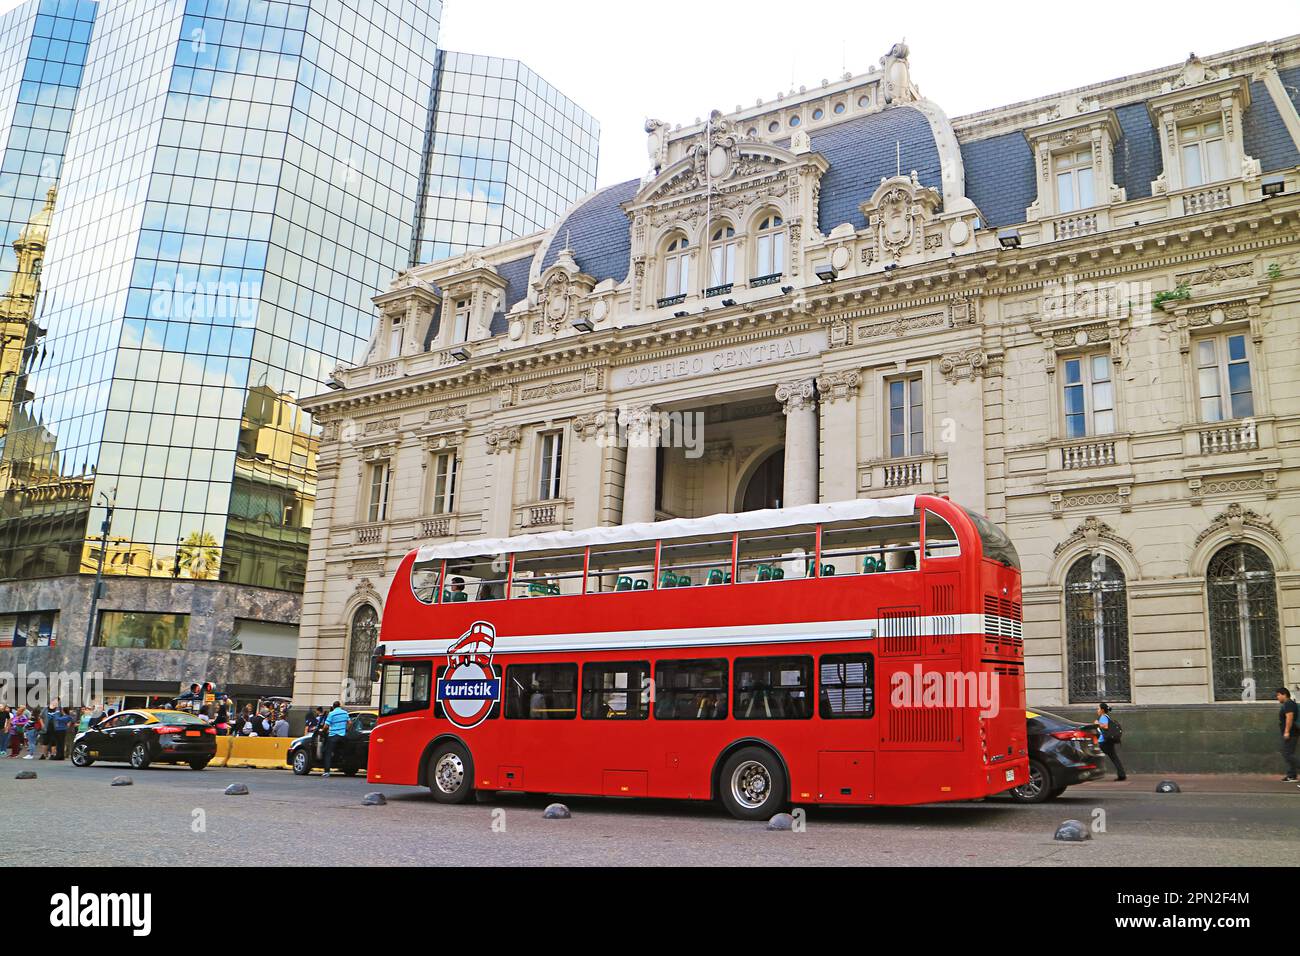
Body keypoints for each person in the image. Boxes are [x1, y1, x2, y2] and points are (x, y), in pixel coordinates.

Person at [1096, 702, 1126, 781]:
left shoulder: (1103, 717)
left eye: (1098, 708)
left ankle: (1088, 773)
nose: (1097, 710)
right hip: (1107, 741)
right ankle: (1122, 774)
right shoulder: (1106, 716)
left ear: (1102, 710)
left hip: (1103, 742)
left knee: (1091, 756)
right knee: (1114, 758)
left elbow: (1105, 726)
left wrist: (1097, 723)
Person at [321, 701, 349, 777]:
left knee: (328, 753)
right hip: (343, 736)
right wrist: (345, 729)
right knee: (343, 752)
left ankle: (327, 772)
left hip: (333, 736)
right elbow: (349, 722)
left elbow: (326, 726)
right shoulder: (345, 713)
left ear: (333, 707)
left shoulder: (331, 714)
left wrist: (323, 731)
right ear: (340, 706)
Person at [1277, 687, 1300, 782]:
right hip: (1292, 733)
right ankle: (1292, 775)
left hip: (1291, 733)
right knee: (1288, 753)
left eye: (1278, 695)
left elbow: (1289, 718)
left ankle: (1292, 774)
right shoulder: (1289, 704)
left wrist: (1286, 731)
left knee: (1287, 754)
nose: (1277, 697)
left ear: (1284, 694)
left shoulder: (1288, 704)